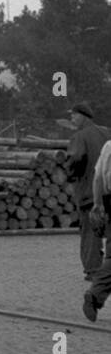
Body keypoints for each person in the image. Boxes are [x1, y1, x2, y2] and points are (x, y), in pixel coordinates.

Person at [66, 101, 110, 279]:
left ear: (83, 116)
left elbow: (75, 159)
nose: (72, 118)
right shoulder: (106, 132)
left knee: (91, 232)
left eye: (74, 115)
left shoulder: (79, 136)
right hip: (108, 190)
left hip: (88, 192)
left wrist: (70, 174)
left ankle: (93, 270)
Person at [83, 140, 111, 322]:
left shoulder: (109, 146)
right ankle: (95, 293)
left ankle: (95, 295)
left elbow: (98, 177)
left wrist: (98, 203)